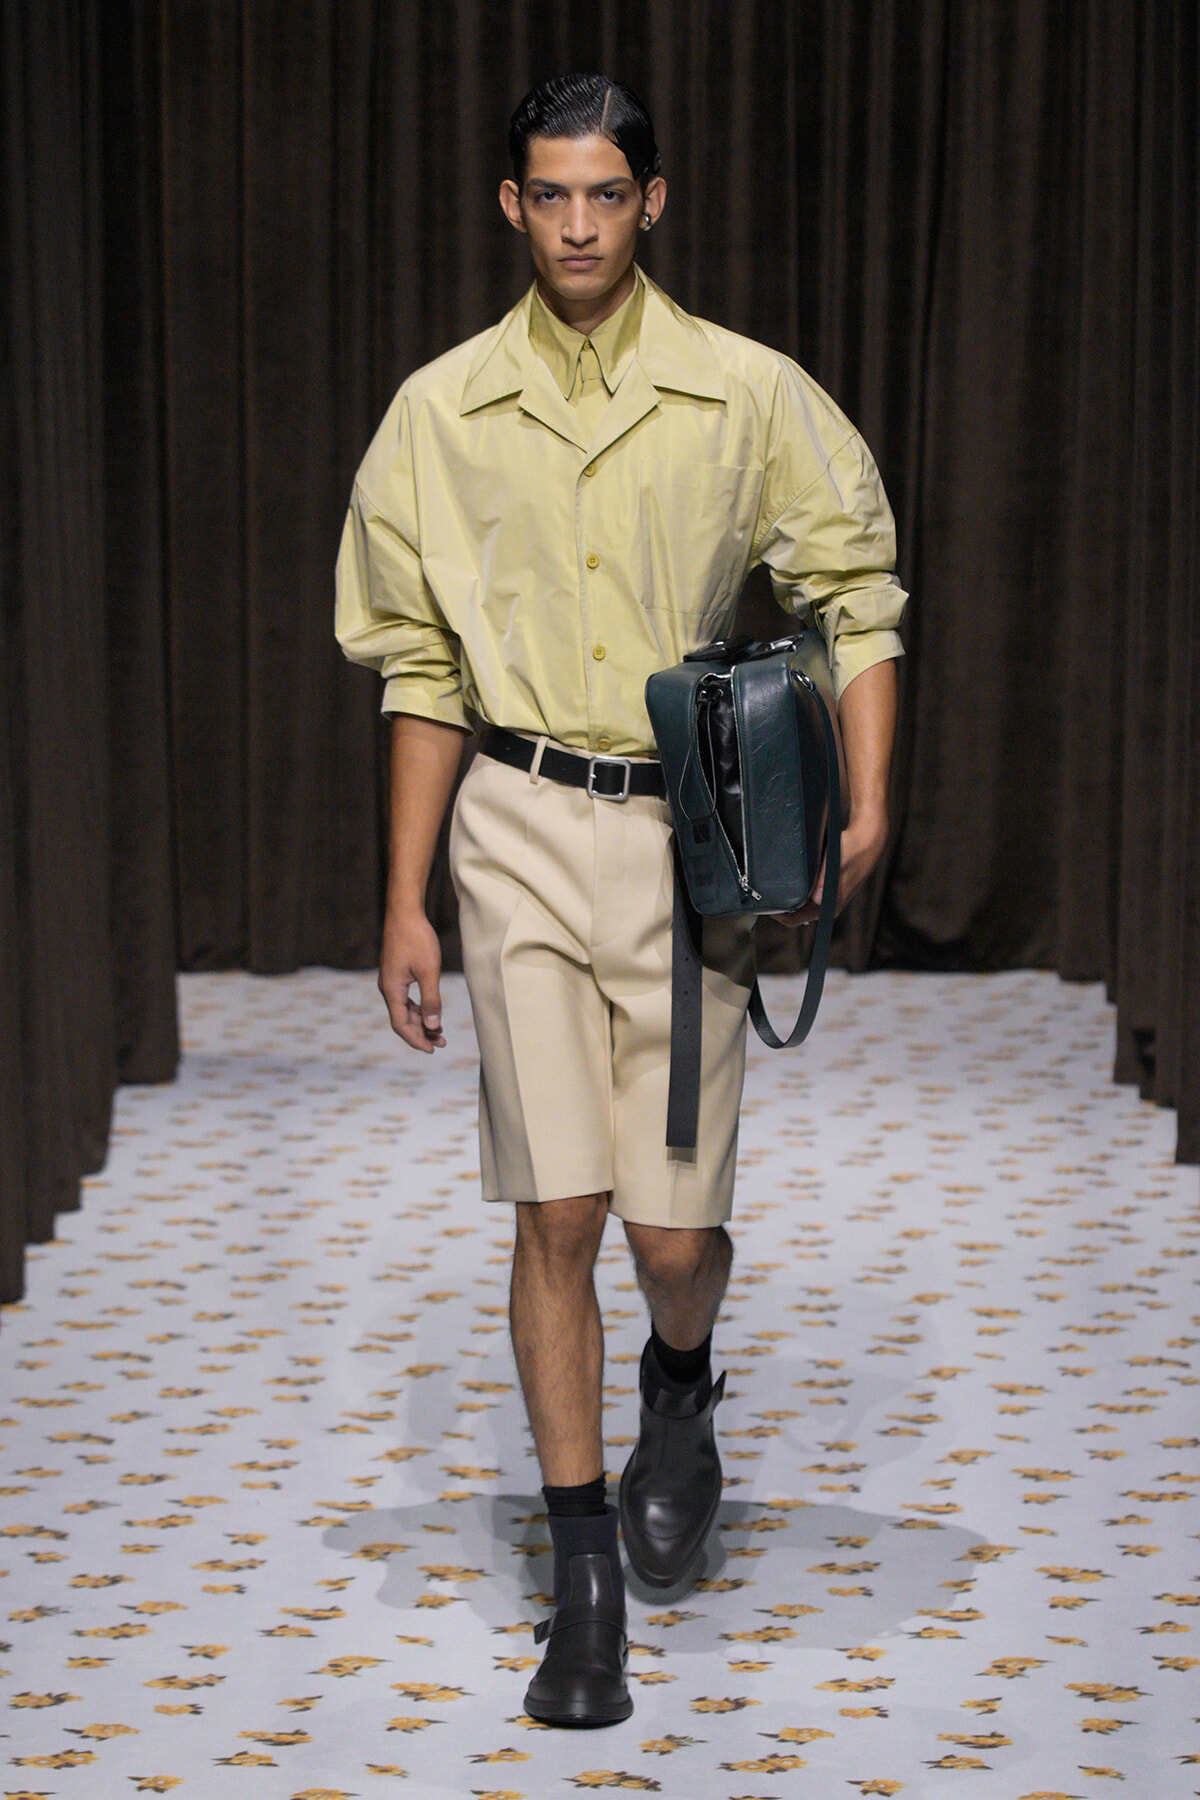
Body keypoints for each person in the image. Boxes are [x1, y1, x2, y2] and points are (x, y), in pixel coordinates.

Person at [335, 72, 906, 1729]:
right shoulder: (439, 413)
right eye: (549, 196)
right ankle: (584, 1578)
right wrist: (405, 896)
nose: (578, 225)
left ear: (653, 202)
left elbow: (853, 588)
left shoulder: (745, 395)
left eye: (607, 196)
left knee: (669, 1237)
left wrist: (867, 797)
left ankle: (680, 1379)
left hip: (690, 833)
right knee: (554, 1214)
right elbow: (418, 665)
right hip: (512, 821)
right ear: (510, 206)